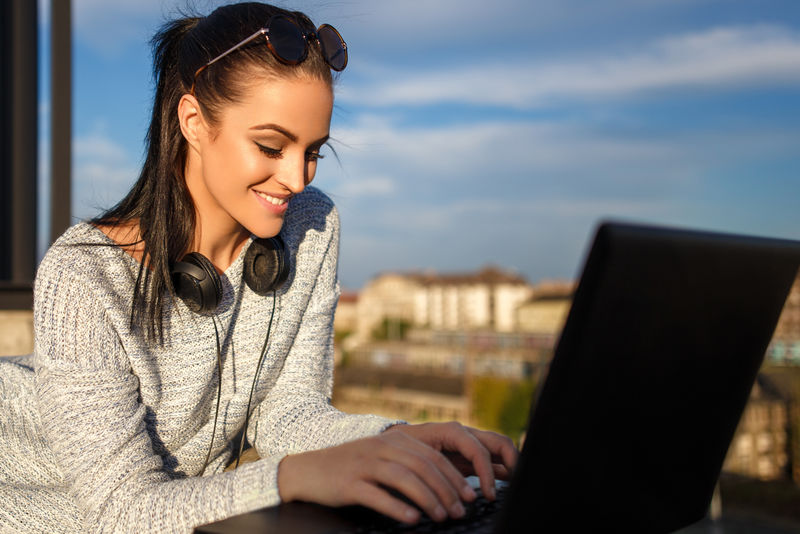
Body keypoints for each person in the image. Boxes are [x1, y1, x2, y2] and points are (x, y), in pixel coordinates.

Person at [0, 3, 516, 533]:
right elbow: (122, 512)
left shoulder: (311, 227)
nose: (296, 179)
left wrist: (397, 443)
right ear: (194, 122)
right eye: (271, 146)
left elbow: (288, 410)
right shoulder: (83, 277)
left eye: (313, 150)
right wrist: (292, 477)